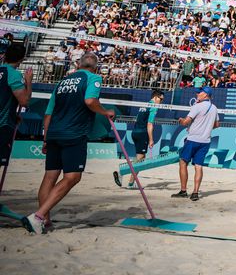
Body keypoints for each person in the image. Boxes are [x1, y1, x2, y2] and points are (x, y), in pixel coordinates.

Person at [23, 52, 114, 234]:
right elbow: (90, 101)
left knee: (50, 177)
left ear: (78, 64)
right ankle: (39, 216)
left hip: (55, 132)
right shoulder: (94, 78)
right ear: (95, 67)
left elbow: (48, 113)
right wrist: (105, 112)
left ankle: (44, 222)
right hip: (74, 133)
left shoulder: (63, 82)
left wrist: (46, 137)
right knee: (73, 177)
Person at [175, 88, 219, 201]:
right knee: (198, 166)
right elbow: (217, 125)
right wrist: (206, 127)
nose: (197, 94)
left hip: (193, 139)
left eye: (200, 92)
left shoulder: (197, 106)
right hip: (205, 141)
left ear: (206, 95)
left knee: (183, 162)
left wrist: (180, 120)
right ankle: (195, 193)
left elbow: (186, 122)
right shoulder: (214, 108)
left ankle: (183, 191)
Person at [117, 89, 163, 189]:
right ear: (155, 97)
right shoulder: (153, 106)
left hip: (135, 132)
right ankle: (122, 172)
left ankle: (131, 183)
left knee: (140, 158)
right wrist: (151, 139)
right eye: (160, 99)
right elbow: (150, 124)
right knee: (140, 159)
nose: (161, 102)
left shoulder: (144, 105)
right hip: (142, 133)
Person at [0, 43, 31, 175]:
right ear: (21, 60)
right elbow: (24, 101)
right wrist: (28, 82)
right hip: (2, 124)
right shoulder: (13, 74)